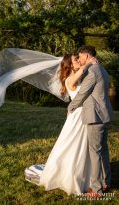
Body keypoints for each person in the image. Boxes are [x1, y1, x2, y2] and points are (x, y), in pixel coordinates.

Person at [25, 52, 98, 195]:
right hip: (78, 115)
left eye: (77, 59)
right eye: (75, 60)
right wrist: (91, 62)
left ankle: (86, 175)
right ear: (70, 65)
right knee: (73, 144)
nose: (78, 60)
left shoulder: (79, 75)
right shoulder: (69, 80)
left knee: (84, 145)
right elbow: (83, 71)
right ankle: (70, 176)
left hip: (84, 113)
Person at [67, 45, 112, 197]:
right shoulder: (102, 69)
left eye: (80, 57)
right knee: (103, 151)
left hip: (95, 117)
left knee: (95, 153)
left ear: (86, 56)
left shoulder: (92, 72)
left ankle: (97, 190)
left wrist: (70, 107)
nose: (79, 59)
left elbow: (82, 93)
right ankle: (106, 182)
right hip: (104, 115)